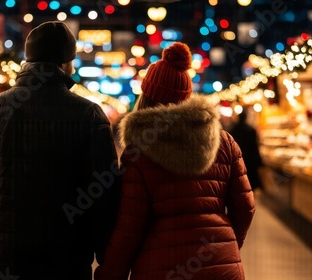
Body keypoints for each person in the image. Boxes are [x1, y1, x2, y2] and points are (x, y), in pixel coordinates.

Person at [0, 21, 120, 280]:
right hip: (66, 262)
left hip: (0, 259)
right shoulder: (88, 114)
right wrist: (106, 256)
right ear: (66, 63)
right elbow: (104, 194)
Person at [94, 42, 255, 280]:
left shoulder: (138, 152)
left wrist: (109, 273)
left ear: (147, 96)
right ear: (187, 96)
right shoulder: (225, 142)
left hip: (160, 267)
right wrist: (227, 245)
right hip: (222, 267)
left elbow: (130, 227)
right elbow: (245, 208)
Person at [229, 109, 264, 191]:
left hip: (237, 160)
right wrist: (259, 162)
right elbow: (255, 147)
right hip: (250, 161)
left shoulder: (232, 130)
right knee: (250, 183)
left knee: (240, 183)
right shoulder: (251, 130)